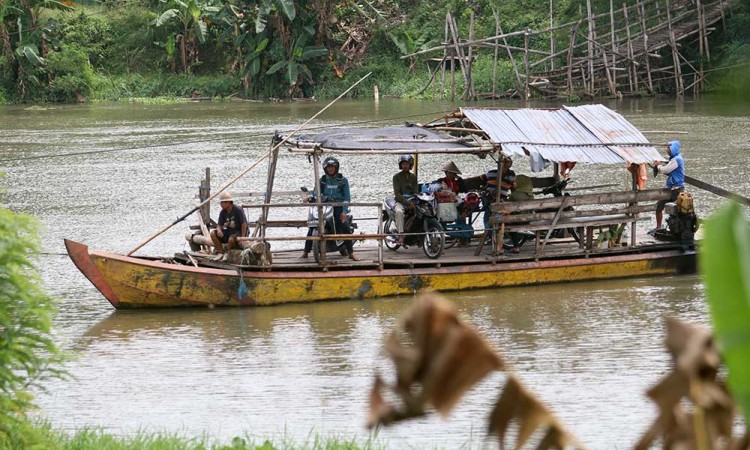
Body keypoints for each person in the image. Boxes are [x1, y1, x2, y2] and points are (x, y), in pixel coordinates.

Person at [300, 156, 360, 261]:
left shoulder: (343, 180)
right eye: (328, 167)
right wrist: (309, 198)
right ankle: (305, 251)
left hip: (337, 206)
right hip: (323, 206)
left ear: (336, 168)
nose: (331, 169)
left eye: (332, 167)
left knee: (343, 225)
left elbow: (347, 198)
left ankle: (351, 252)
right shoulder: (322, 180)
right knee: (312, 226)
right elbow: (315, 193)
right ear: (325, 168)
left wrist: (344, 211)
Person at [651, 140, 685, 233]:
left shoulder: (677, 159)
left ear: (673, 149)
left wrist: (658, 166)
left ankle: (678, 228)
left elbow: (665, 170)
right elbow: (668, 167)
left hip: (677, 190)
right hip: (671, 189)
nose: (667, 150)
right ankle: (658, 226)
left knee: (676, 211)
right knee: (659, 205)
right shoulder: (673, 159)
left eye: (668, 148)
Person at [393, 154, 419, 245]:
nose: (405, 166)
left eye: (407, 164)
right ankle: (401, 234)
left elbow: (416, 192)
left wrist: (414, 200)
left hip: (412, 200)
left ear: (410, 165)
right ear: (400, 165)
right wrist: (407, 203)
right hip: (401, 201)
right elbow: (397, 194)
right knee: (399, 212)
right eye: (403, 164)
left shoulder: (414, 177)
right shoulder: (396, 177)